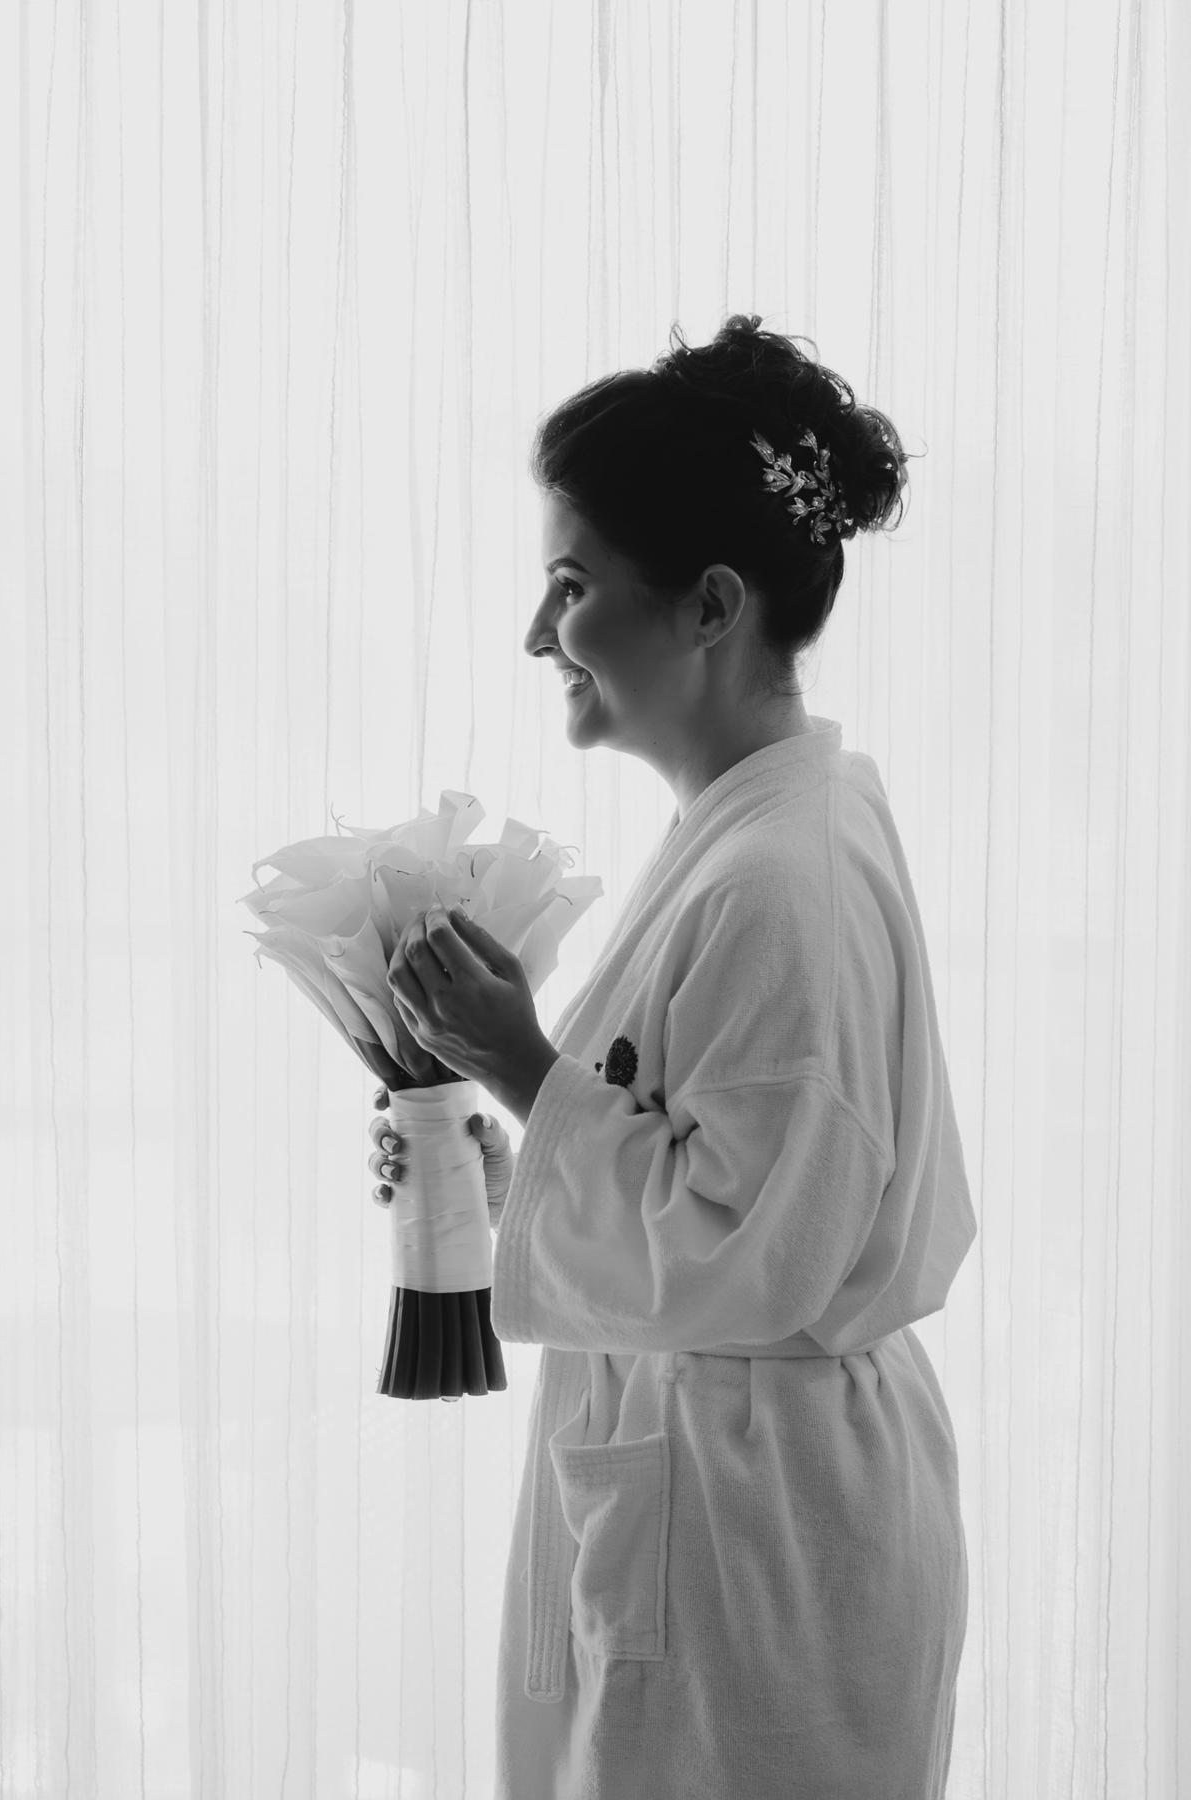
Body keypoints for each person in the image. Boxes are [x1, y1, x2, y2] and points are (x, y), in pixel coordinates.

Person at [372, 313, 976, 1799]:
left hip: (753, 1537)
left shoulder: (781, 876)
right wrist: (505, 1165)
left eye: (572, 586)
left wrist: (524, 1067)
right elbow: (724, 1159)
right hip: (714, 1498)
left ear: (710, 605)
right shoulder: (757, 828)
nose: (538, 634)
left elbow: (760, 1244)